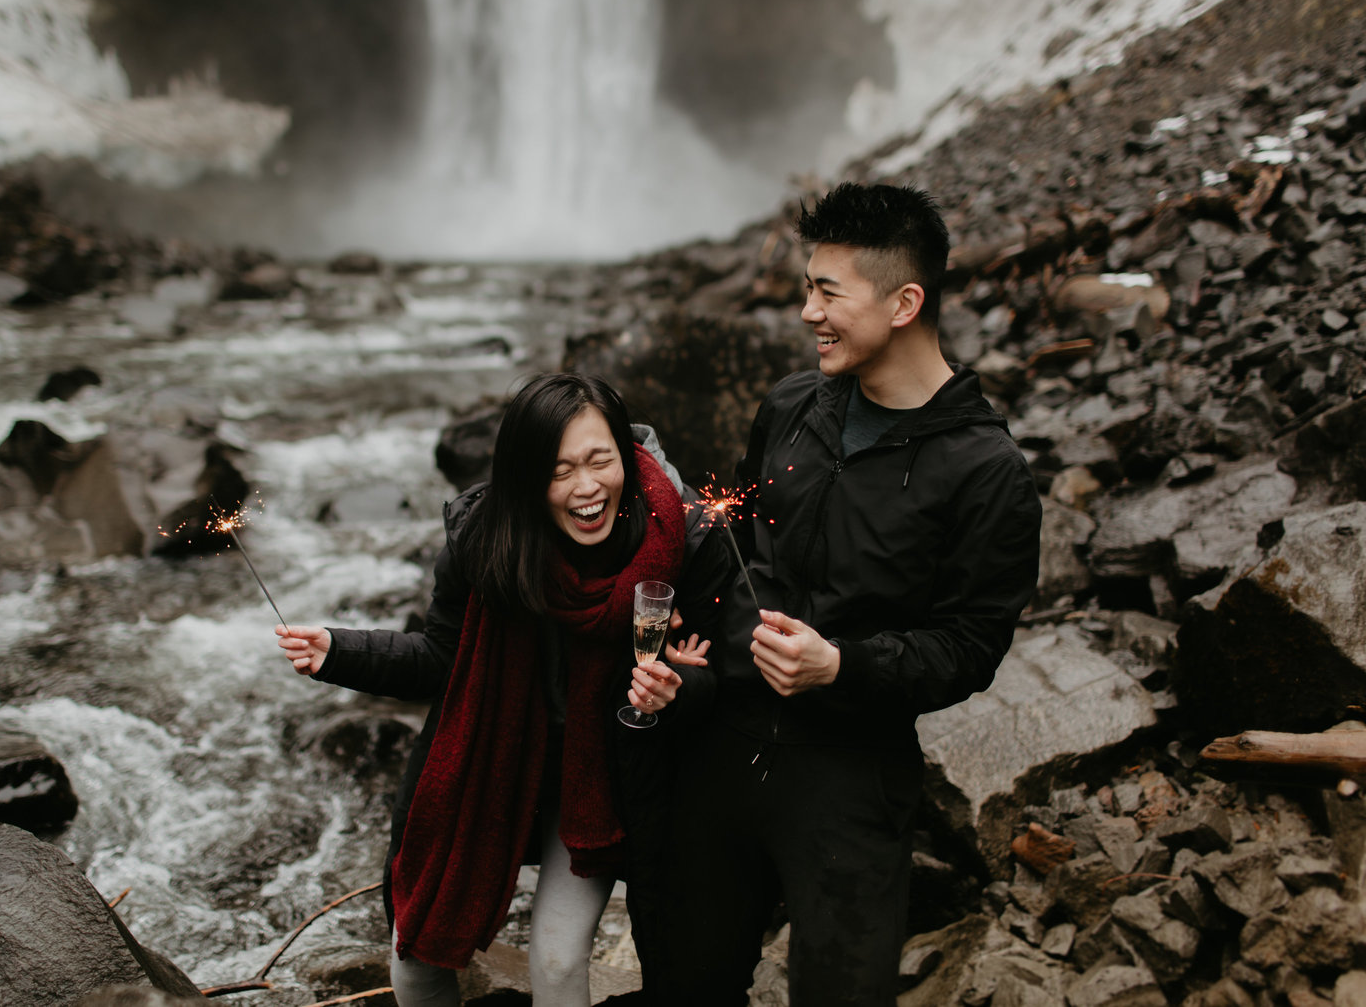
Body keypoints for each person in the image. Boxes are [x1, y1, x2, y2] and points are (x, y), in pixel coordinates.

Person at [655, 182, 1043, 1006]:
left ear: (905, 302)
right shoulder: (792, 405)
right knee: (683, 984)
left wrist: (842, 665)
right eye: (807, 286)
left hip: (851, 777)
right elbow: (740, 541)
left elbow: (972, 647)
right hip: (719, 754)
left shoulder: (987, 472)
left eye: (827, 291)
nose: (806, 312)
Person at [277, 373, 726, 1007]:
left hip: (599, 780)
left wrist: (676, 691)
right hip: (490, 768)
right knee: (413, 958)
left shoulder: (682, 538)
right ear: (523, 477)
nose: (586, 487)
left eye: (601, 460)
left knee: (558, 960)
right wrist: (340, 650)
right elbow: (441, 658)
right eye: (559, 470)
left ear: (625, 456)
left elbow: (720, 677)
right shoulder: (484, 539)